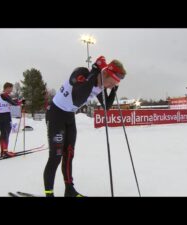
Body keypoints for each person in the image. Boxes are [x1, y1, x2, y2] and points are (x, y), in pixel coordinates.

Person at [44, 56, 126, 197]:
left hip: (69, 116)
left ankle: (69, 190)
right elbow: (78, 98)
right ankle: (49, 194)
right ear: (105, 74)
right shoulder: (82, 73)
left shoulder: (100, 86)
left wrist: (114, 90)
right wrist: (94, 72)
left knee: (69, 154)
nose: (111, 86)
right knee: (56, 157)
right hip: (56, 114)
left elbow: (106, 106)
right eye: (111, 83)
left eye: (114, 85)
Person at [0, 82, 23, 157]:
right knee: (6, 133)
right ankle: (5, 152)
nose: (11, 90)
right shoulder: (4, 95)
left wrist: (18, 101)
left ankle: (3, 151)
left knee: (3, 133)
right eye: (10, 88)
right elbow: (13, 103)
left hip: (2, 116)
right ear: (7, 88)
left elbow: (8, 102)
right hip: (5, 116)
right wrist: (21, 102)